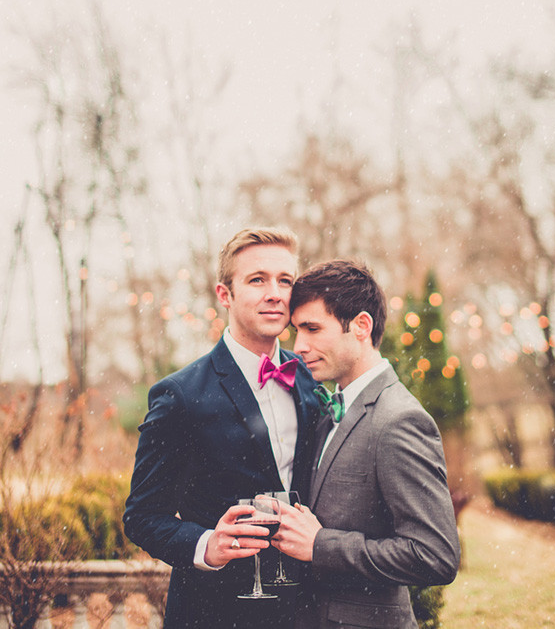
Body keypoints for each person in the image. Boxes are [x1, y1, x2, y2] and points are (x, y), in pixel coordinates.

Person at [123, 227, 320, 629]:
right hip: (212, 611)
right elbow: (142, 515)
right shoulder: (180, 395)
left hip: (303, 608)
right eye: (257, 280)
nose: (275, 293)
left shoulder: (310, 381)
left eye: (285, 280)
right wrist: (206, 545)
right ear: (224, 294)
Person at [272, 259, 461, 629]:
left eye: (312, 328)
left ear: (361, 326)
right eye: (296, 331)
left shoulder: (399, 420)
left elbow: (435, 555)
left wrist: (321, 545)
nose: (299, 346)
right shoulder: (330, 408)